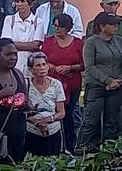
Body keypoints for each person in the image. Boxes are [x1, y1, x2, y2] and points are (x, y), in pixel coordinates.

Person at [41, 13, 84, 153]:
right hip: (53, 83)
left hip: (72, 84)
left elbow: (83, 64)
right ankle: (54, 145)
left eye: (59, 27)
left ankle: (70, 146)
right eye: (55, 26)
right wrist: (53, 67)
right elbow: (43, 59)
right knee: (54, 112)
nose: (56, 29)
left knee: (69, 114)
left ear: (67, 28)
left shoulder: (78, 43)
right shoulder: (48, 42)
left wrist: (70, 68)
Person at [24, 52, 66, 157]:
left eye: (44, 64)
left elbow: (61, 112)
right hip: (31, 132)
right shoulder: (25, 85)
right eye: (38, 65)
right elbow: (21, 112)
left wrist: (46, 121)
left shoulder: (56, 84)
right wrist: (37, 122)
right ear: (31, 69)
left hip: (53, 132)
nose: (42, 68)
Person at [0, 0, 42, 73]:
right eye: (17, 1)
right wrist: (28, 45)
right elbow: (6, 44)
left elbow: (36, 45)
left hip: (31, 66)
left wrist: (14, 44)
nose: (19, 4)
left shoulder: (38, 21)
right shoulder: (9, 19)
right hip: (13, 64)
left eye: (23, 1)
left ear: (30, 4)